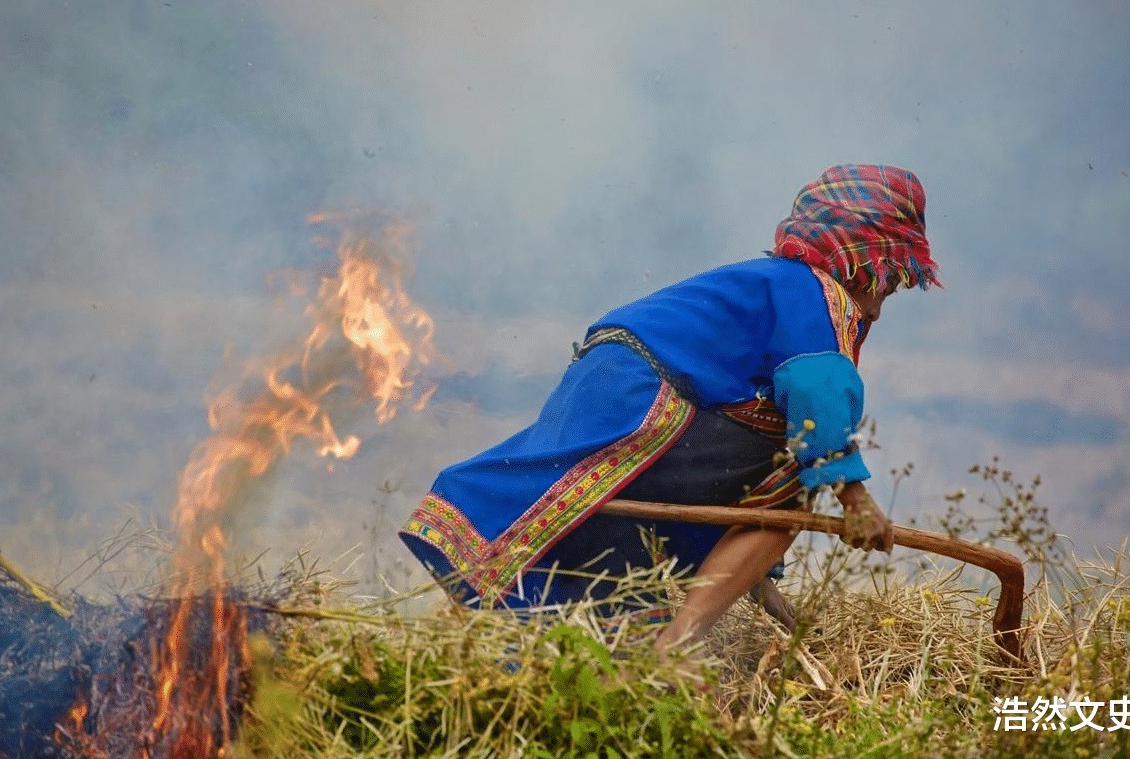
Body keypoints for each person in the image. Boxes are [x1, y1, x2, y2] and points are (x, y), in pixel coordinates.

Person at [399, 164, 940, 649]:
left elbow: (741, 482)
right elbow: (815, 392)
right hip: (643, 395)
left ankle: (578, 643)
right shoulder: (813, 291)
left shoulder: (769, 283)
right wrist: (855, 497)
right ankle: (676, 647)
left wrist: (762, 587)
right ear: (867, 259)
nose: (890, 292)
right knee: (789, 492)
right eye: (893, 276)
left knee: (739, 490)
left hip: (609, 380)